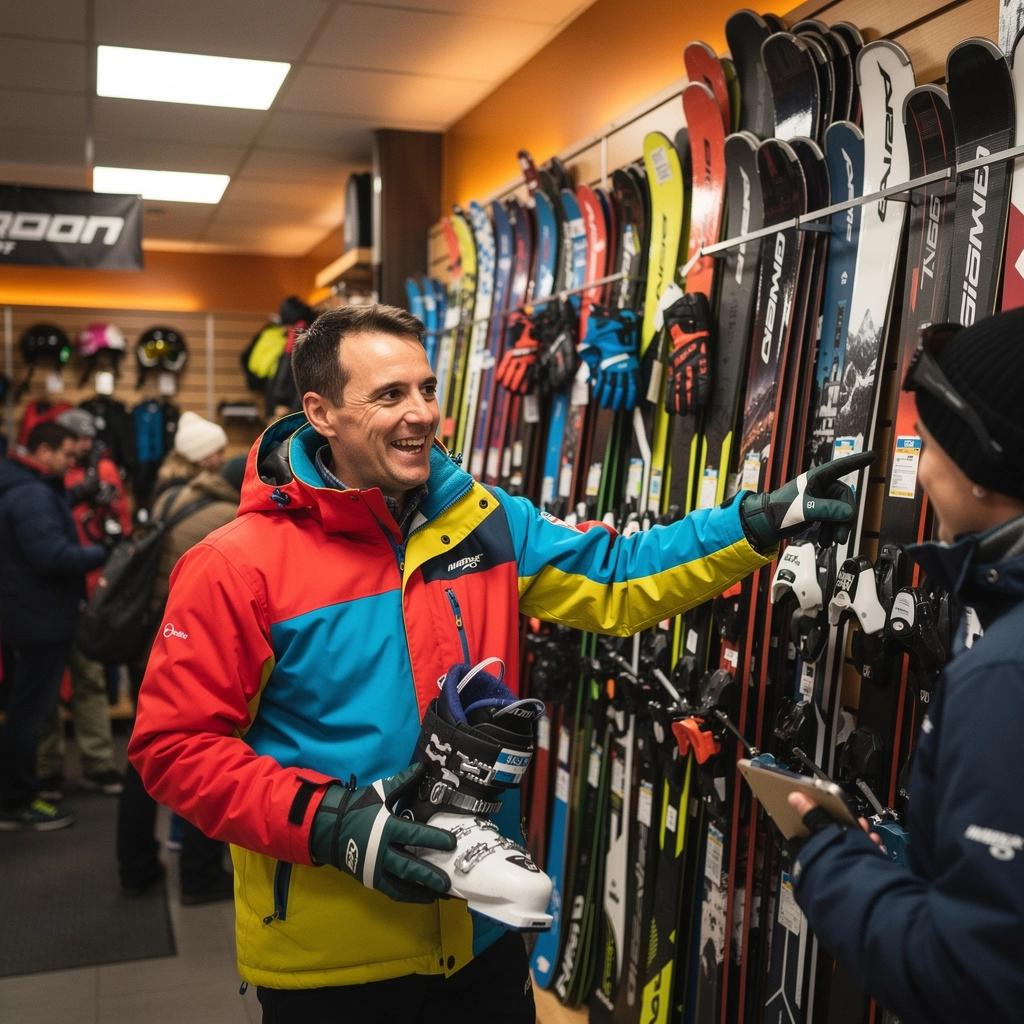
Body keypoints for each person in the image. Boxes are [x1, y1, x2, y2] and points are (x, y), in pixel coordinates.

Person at [128, 304, 868, 1022]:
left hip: (481, 933)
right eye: (389, 395)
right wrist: (328, 821)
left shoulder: (483, 523)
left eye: (426, 389)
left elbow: (616, 576)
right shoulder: (236, 566)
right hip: (335, 961)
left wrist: (752, 523)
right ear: (321, 413)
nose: (421, 414)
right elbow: (174, 748)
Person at [786, 310, 1024, 1024]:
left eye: (930, 445)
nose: (917, 471)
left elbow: (971, 978)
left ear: (981, 470)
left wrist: (831, 861)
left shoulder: (1003, 677)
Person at [117, 410, 240, 904]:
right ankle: (199, 875)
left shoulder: (168, 496)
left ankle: (136, 864)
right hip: (185, 647)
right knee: (201, 757)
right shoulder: (220, 513)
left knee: (145, 757)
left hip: (148, 642)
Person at [0, 422, 107, 830]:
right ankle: (18, 801)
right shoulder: (30, 494)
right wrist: (103, 552)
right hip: (39, 620)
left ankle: (18, 796)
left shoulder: (27, 487)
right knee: (28, 713)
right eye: (66, 455)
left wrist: (75, 497)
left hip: (31, 616)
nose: (71, 463)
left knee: (26, 710)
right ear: (43, 451)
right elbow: (50, 555)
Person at [34, 408, 130, 801]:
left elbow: (119, 524)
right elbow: (48, 546)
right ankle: (46, 769)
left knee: (89, 680)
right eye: (77, 440)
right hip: (46, 598)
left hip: (86, 594)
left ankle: (98, 762)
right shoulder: (39, 481)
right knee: (45, 687)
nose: (83, 446)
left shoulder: (97, 471)